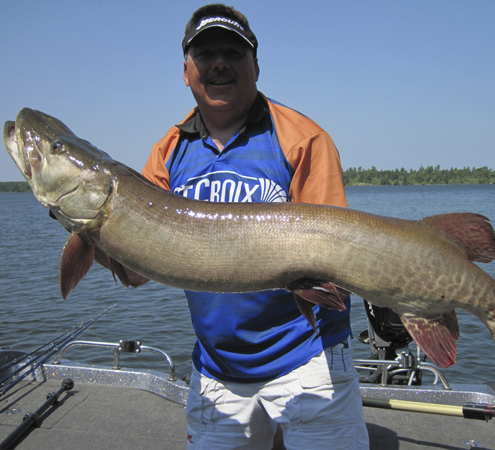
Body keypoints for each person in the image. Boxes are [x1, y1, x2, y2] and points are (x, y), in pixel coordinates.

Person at [142, 4, 369, 449]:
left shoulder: (302, 139)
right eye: (205, 55)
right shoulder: (166, 153)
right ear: (186, 71)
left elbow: (336, 263)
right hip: (217, 368)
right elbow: (136, 270)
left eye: (234, 52)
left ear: (256, 66)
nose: (219, 63)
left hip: (308, 359)